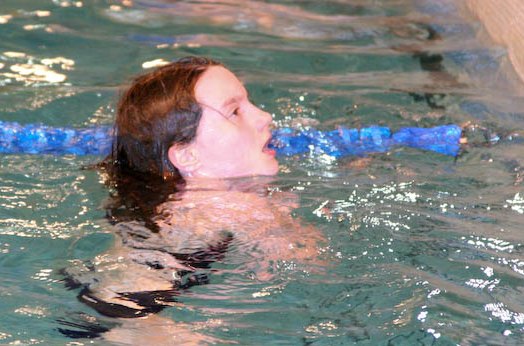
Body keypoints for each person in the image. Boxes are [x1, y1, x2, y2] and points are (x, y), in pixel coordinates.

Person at [60, 56, 325, 323]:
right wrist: (280, 219)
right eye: (235, 111)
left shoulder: (164, 203)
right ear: (187, 155)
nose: (264, 117)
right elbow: (310, 269)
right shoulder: (233, 205)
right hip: (128, 318)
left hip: (108, 303)